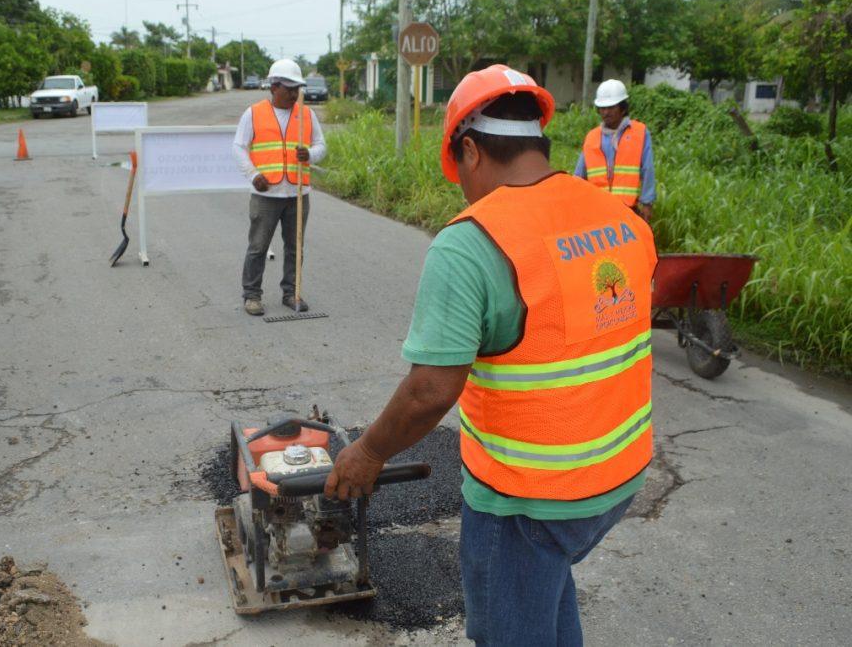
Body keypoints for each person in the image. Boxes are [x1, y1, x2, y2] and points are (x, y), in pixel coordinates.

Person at [325, 65, 657, 646]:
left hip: (530, 501)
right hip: (618, 476)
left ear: (471, 152)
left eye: (459, 171)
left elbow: (431, 391)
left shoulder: (471, 243)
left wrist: (369, 451)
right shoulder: (618, 217)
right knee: (547, 596)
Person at [232, 58, 326, 316]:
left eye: (297, 88)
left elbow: (321, 146)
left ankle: (291, 293)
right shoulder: (253, 113)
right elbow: (239, 148)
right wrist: (253, 175)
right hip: (266, 194)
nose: (294, 94)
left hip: (297, 193)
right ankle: (252, 296)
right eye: (289, 88)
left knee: (295, 247)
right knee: (258, 246)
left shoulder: (306, 114)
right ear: (274, 87)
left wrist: (309, 154)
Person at [574, 79, 656, 222]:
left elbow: (648, 169)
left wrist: (647, 202)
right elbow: (579, 175)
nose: (606, 112)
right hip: (598, 209)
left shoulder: (640, 132)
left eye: (611, 107)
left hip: (627, 209)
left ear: (623, 108)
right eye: (602, 108)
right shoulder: (592, 137)